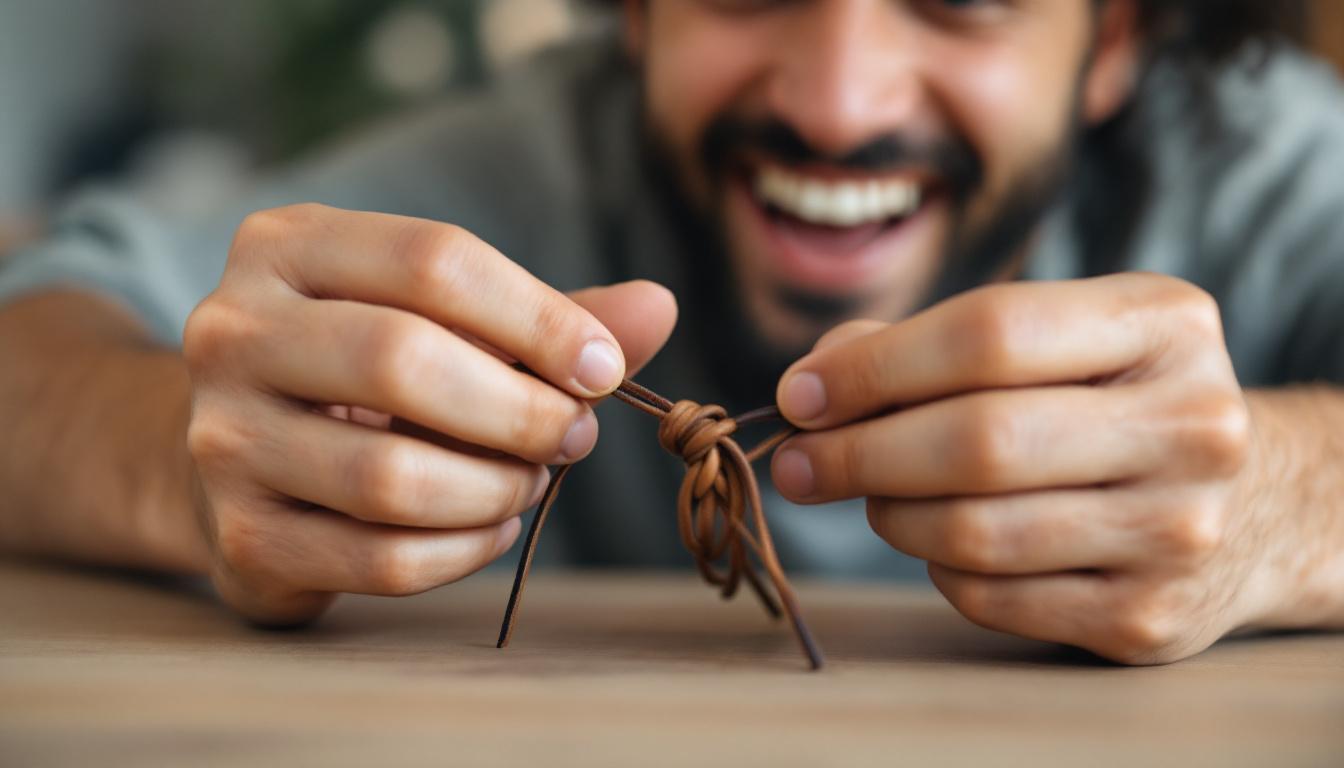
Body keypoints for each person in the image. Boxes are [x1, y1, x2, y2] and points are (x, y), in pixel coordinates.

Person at [1, 0, 1341, 665]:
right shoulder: (518, 183)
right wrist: (189, 458)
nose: (837, 101)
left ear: (1112, 38)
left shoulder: (1262, 170)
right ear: (637, 15)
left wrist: (1285, 493)